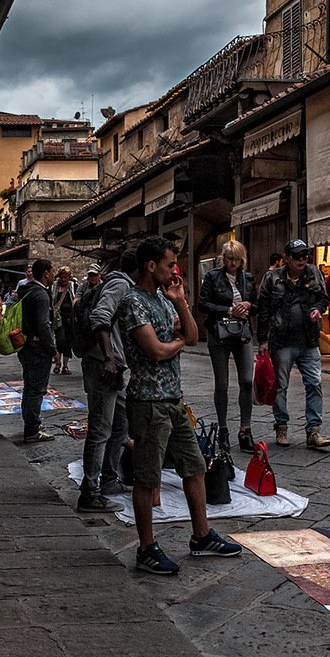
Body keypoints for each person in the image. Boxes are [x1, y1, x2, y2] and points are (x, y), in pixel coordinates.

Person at [118, 235, 243, 574]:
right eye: (170, 264)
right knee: (147, 478)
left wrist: (181, 302)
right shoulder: (133, 302)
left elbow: (191, 337)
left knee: (195, 466)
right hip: (148, 402)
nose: (175, 270)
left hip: (173, 400)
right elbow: (155, 351)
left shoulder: (163, 299)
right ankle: (146, 549)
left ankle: (201, 536)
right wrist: (173, 342)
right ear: (151, 266)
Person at [256, 239, 330, 449]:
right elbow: (263, 310)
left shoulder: (314, 273)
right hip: (281, 341)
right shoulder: (272, 278)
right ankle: (281, 427)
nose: (301, 260)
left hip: (309, 340)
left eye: (304, 255)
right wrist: (262, 340)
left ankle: (314, 431)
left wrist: (318, 308)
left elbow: (323, 298)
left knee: (314, 383)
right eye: (297, 256)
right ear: (286, 258)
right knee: (280, 386)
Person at [79, 251, 137, 512]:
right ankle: (89, 493)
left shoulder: (125, 285)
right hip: (102, 364)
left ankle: (109, 479)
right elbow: (100, 317)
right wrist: (109, 358)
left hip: (114, 364)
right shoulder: (120, 284)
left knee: (122, 421)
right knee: (101, 428)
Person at [199, 239, 257, 451]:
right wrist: (228, 310)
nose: (233, 263)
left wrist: (249, 305)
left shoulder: (247, 278)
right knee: (221, 383)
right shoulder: (213, 277)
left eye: (237, 260)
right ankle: (223, 429)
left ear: (242, 260)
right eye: (230, 259)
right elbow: (203, 304)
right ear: (224, 258)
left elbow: (258, 305)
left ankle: (245, 430)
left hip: (242, 331)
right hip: (219, 332)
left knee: (246, 381)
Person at [16, 258, 56, 442]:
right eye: (53, 271)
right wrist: (52, 349)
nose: (54, 275)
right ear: (46, 273)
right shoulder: (41, 295)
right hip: (37, 347)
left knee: (29, 387)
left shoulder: (26, 290)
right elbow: (43, 325)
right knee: (36, 390)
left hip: (26, 345)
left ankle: (30, 423)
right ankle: (32, 430)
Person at [51, 267, 76, 375]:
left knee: (68, 341)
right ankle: (58, 362)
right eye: (61, 277)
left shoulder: (73, 286)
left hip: (69, 317)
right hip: (58, 317)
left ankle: (65, 365)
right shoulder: (54, 287)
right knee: (60, 339)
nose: (63, 280)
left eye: (65, 277)